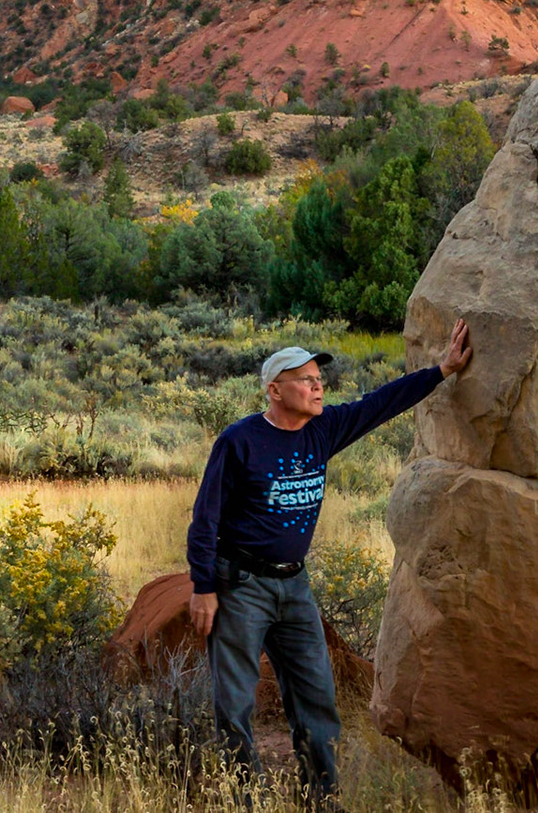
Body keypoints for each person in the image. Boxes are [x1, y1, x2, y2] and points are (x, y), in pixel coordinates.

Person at [186, 320, 473, 802]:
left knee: (317, 701)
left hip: (294, 587)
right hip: (240, 586)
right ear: (275, 390)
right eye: (306, 379)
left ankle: (321, 799)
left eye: (320, 379)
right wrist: (202, 587)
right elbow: (205, 518)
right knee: (234, 705)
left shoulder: (323, 430)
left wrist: (441, 369)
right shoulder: (240, 442)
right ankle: (243, 800)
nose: (318, 386)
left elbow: (380, 404)